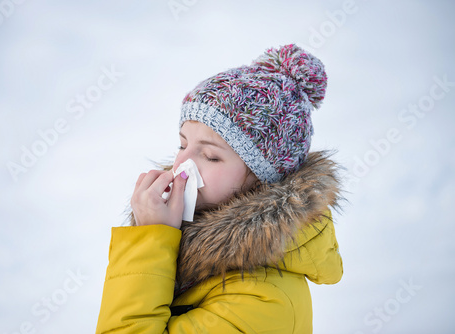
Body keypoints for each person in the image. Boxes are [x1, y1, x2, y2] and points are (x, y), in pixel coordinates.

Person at [96, 44, 343, 333]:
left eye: (211, 156)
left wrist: (149, 242)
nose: (181, 165)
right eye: (182, 144)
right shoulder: (184, 232)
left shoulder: (263, 303)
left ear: (263, 181)